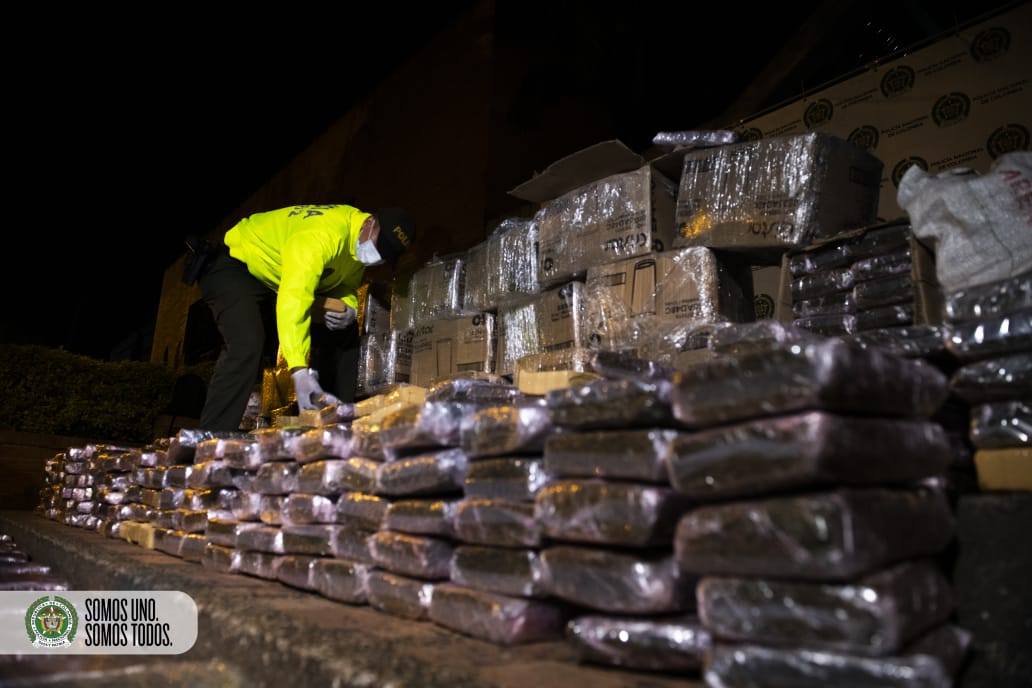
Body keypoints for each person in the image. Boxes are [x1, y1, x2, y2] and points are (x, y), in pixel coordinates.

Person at [195, 204, 416, 432]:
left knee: (345, 329)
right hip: (237, 265)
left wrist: (350, 308)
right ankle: (210, 438)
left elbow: (345, 285)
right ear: (369, 224)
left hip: (277, 278)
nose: (378, 257)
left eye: (385, 255)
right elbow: (294, 297)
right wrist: (299, 370)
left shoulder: (356, 245)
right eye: (380, 246)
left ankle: (333, 423)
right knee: (247, 342)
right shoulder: (322, 234)